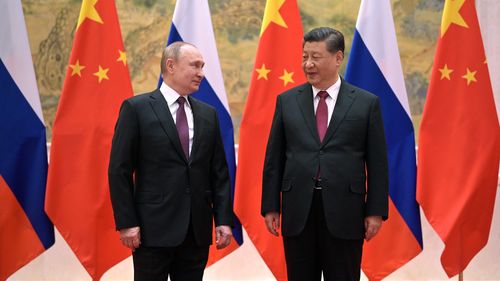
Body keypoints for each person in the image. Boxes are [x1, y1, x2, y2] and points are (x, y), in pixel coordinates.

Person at [261, 27, 389, 281]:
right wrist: (270, 206)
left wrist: (375, 210)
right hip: (299, 210)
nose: (308, 64)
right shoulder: (287, 101)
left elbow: (377, 163)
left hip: (345, 211)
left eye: (316, 57)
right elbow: (274, 158)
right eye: (305, 56)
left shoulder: (366, 103)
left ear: (338, 57)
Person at [108, 41, 233, 281]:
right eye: (195, 66)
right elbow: (119, 170)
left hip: (195, 230)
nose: (201, 73)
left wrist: (224, 220)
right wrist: (127, 222)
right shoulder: (137, 109)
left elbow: (219, 173)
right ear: (171, 65)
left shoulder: (208, 114)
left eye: (203, 66)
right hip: (151, 229)